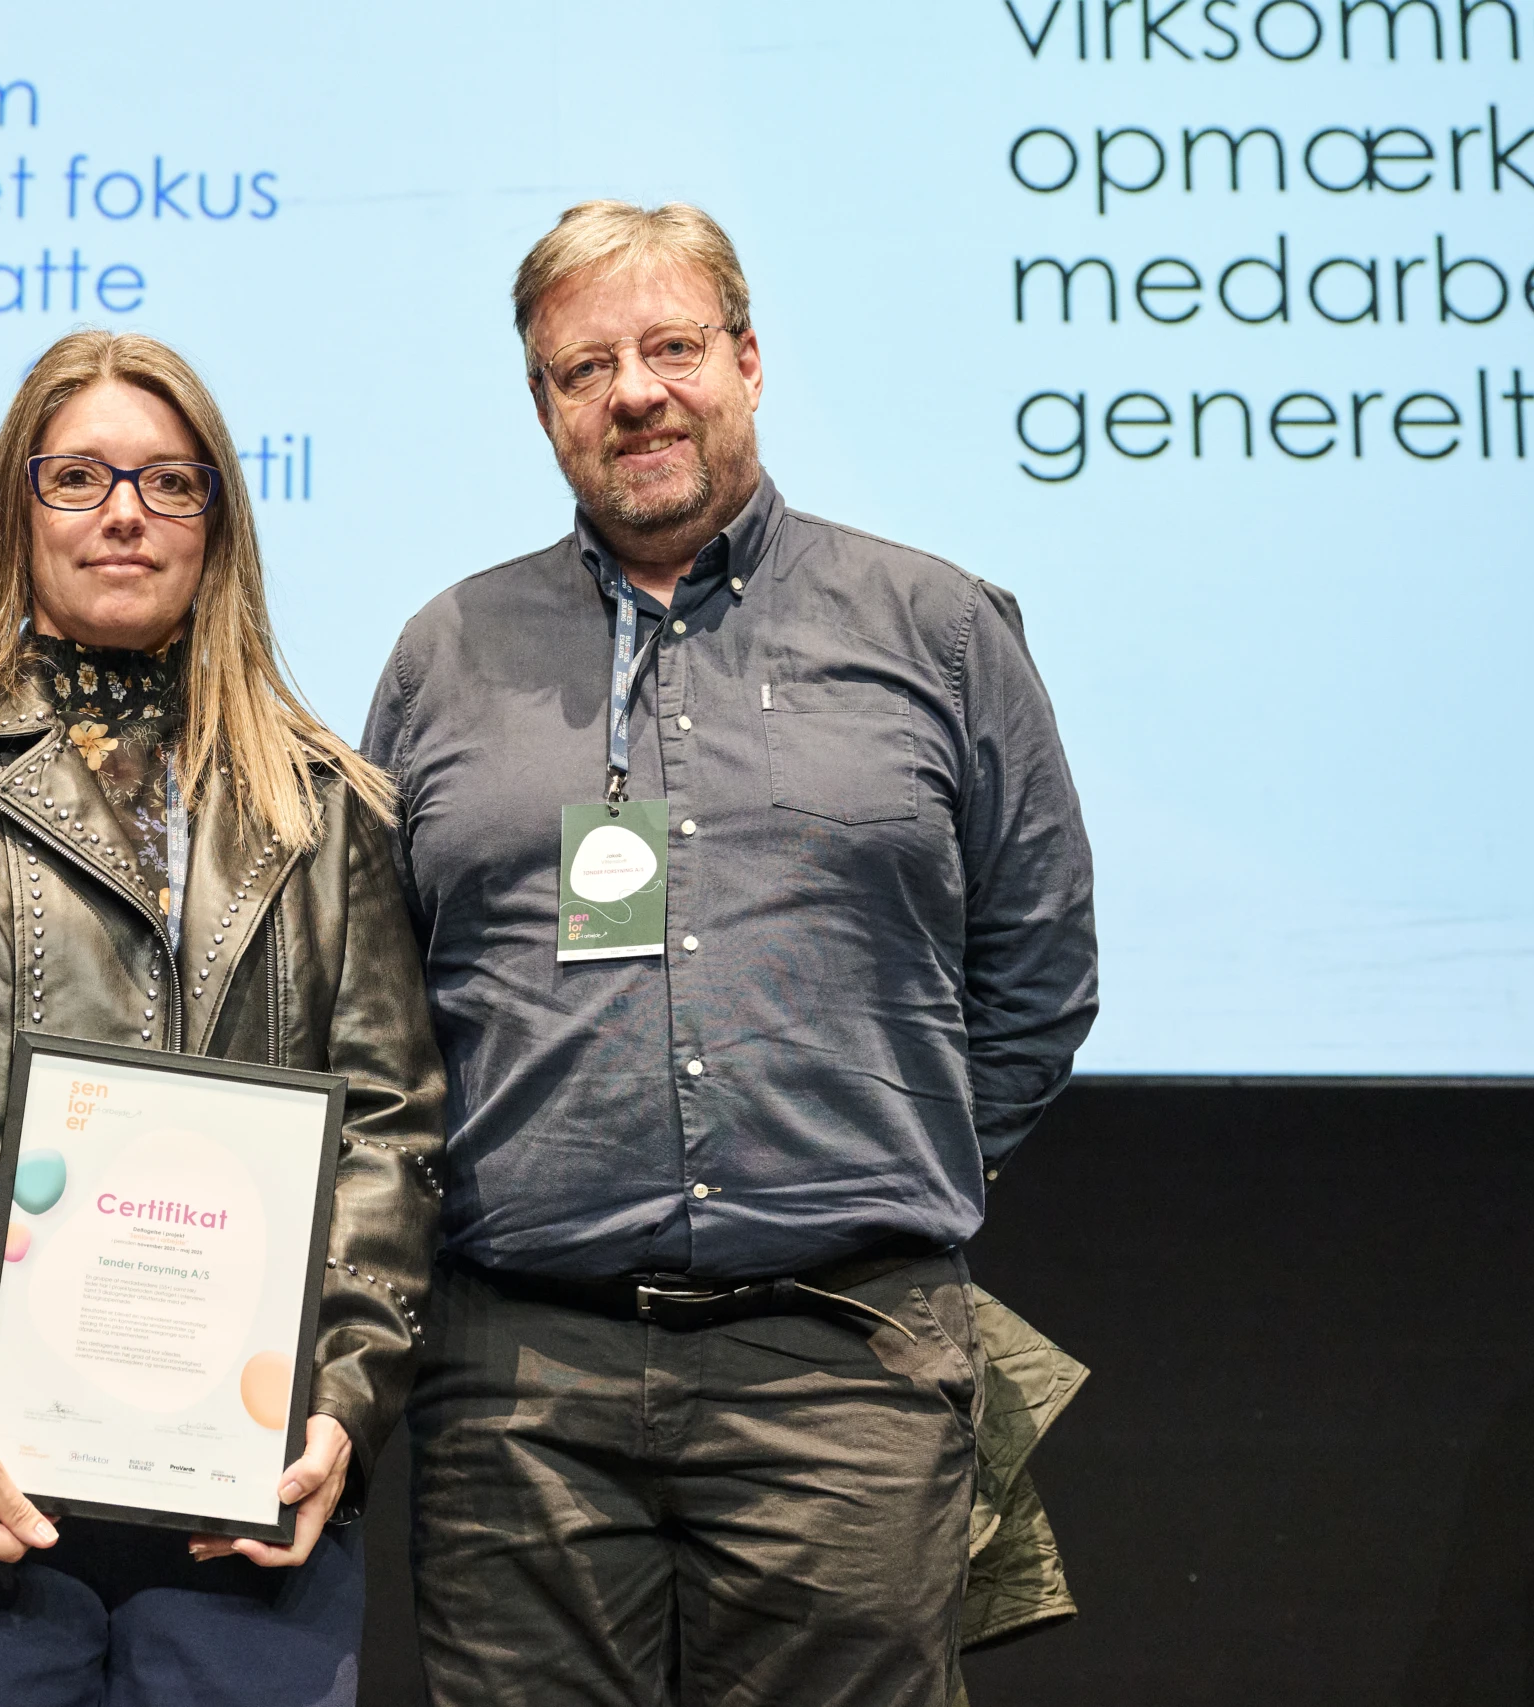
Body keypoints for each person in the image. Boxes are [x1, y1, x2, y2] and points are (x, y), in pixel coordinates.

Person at [361, 201, 1101, 1706]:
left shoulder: (938, 627)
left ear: (748, 361)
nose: (634, 392)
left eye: (673, 348)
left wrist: (876, 1154)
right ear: (545, 405)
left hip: (843, 1368)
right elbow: (376, 995)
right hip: (519, 1387)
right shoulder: (448, 653)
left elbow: (1038, 968)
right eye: (586, 368)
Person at [0, 329, 446, 1707]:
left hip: (245, 1471)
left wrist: (344, 1406)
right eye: (77, 477)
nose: (124, 511)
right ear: (16, 513)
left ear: (217, 523)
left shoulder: (327, 800)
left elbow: (392, 1133)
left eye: (168, 481)